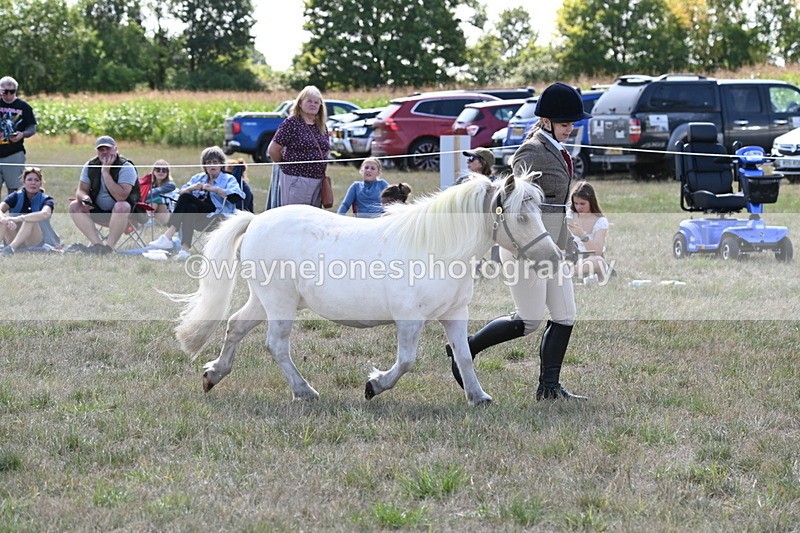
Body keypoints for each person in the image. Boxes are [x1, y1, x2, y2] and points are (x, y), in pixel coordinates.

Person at [447, 82, 591, 401]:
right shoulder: (531, 150)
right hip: (525, 245)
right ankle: (464, 349)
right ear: (547, 121)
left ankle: (549, 388)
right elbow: (517, 203)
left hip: (553, 244)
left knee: (565, 315)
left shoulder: (557, 147)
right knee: (529, 321)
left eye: (572, 124)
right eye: (565, 124)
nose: (570, 129)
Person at [149, 146, 244, 261]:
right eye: (208, 163)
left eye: (215, 162)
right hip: (199, 215)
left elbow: (237, 196)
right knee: (190, 207)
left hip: (218, 214)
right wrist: (192, 188)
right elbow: (180, 193)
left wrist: (214, 189)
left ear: (221, 164)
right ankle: (184, 251)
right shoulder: (198, 178)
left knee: (187, 199)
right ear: (204, 166)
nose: (212, 165)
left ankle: (168, 236)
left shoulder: (229, 179)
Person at [68, 136, 140, 254]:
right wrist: (85, 198)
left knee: (122, 206)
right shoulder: (90, 165)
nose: (104, 152)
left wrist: (105, 172)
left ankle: (109, 248)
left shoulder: (126, 167)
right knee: (74, 205)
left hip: (126, 215)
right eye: (101, 149)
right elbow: (81, 190)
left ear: (116, 149)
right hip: (98, 211)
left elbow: (121, 197)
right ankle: (98, 245)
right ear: (97, 151)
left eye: (108, 148)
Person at [267, 85, 330, 208]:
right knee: (295, 218)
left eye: (316, 102)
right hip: (296, 179)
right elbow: (273, 150)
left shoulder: (322, 126)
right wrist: (287, 166)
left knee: (312, 221)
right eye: (309, 101)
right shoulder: (292, 123)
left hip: (317, 181)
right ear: (300, 103)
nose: (313, 104)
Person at [0, 167, 59, 254]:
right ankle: (10, 247)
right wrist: (5, 219)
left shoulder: (46, 199)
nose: (33, 183)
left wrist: (19, 218)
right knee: (3, 219)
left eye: (36, 180)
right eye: (29, 180)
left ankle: (10, 249)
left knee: (30, 220)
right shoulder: (15, 196)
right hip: (13, 235)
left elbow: (44, 214)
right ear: (23, 182)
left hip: (34, 240)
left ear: (40, 184)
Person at [0, 76, 37, 197]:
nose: (9, 95)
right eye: (5, 91)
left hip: (14, 153)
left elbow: (32, 128)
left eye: (12, 91)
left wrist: (22, 134)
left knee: (14, 192)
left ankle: (13, 216)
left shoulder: (24, 107)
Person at [566, 181, 610, 280]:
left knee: (598, 261)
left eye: (583, 204)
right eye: (576, 203)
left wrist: (582, 236)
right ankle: (574, 275)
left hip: (590, 259)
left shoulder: (600, 221)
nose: (579, 207)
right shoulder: (570, 215)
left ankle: (570, 274)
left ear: (591, 202)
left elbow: (597, 252)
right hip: (572, 257)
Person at [139, 159, 176, 225]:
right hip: (152, 212)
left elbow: (157, 192)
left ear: (167, 173)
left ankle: (143, 222)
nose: (161, 172)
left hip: (168, 215)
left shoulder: (170, 185)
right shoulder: (148, 184)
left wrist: (147, 194)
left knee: (155, 201)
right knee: (154, 201)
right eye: (158, 169)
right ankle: (145, 222)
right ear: (154, 171)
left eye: (164, 170)